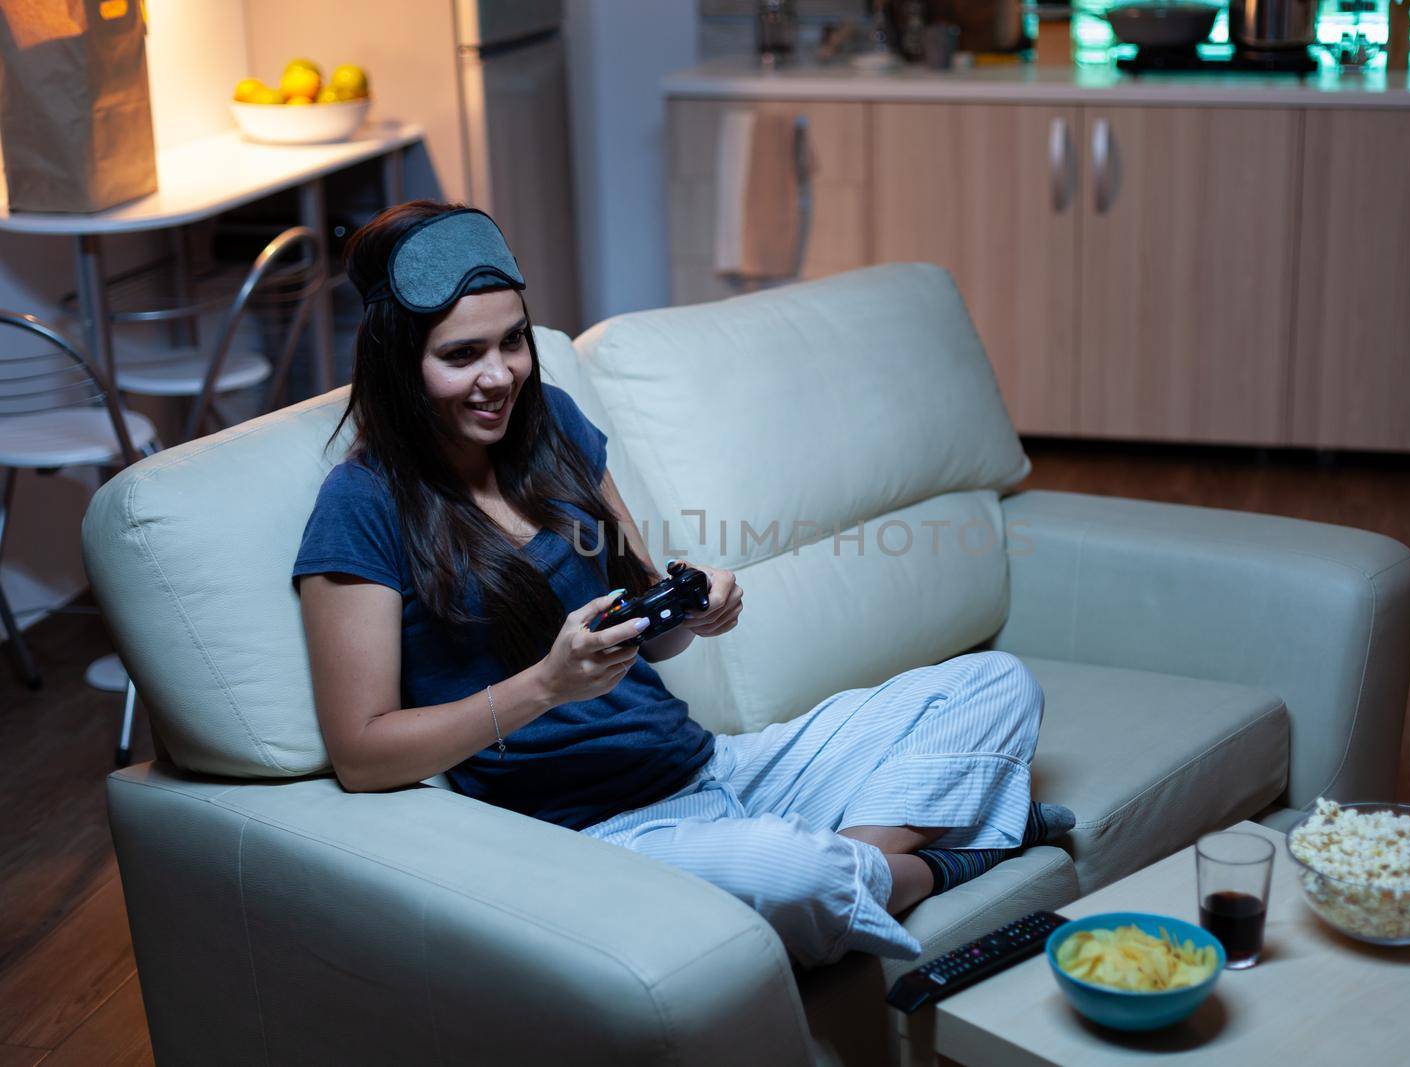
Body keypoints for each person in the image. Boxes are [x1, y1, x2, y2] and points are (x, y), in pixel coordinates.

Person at [293, 200, 1072, 968]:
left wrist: (693, 606)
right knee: (791, 874)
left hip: (709, 765)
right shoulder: (361, 506)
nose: (500, 376)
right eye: (462, 355)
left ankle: (851, 865)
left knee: (997, 685)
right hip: (596, 831)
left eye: (513, 342)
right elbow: (361, 753)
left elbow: (647, 624)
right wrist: (544, 686)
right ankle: (948, 856)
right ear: (399, 363)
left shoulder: (552, 426)